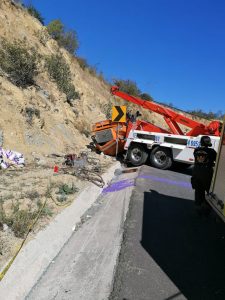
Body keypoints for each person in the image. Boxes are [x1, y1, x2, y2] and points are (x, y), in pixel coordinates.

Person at [191, 136, 217, 215]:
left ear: (201, 142)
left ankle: (198, 207)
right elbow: (216, 159)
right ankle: (206, 208)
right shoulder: (211, 151)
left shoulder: (196, 150)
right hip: (207, 172)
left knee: (198, 190)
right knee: (209, 190)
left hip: (196, 171)